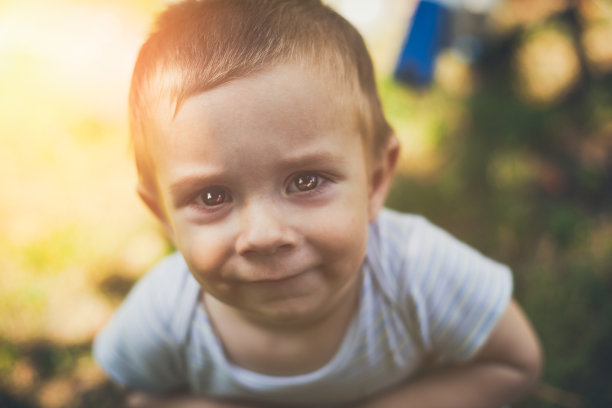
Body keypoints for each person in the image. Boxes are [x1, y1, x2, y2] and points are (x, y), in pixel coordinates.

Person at [93, 0, 542, 407]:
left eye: (306, 181)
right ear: (164, 217)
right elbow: (138, 390)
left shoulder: (417, 272)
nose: (264, 235)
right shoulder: (167, 313)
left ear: (375, 180)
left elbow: (514, 363)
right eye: (212, 197)